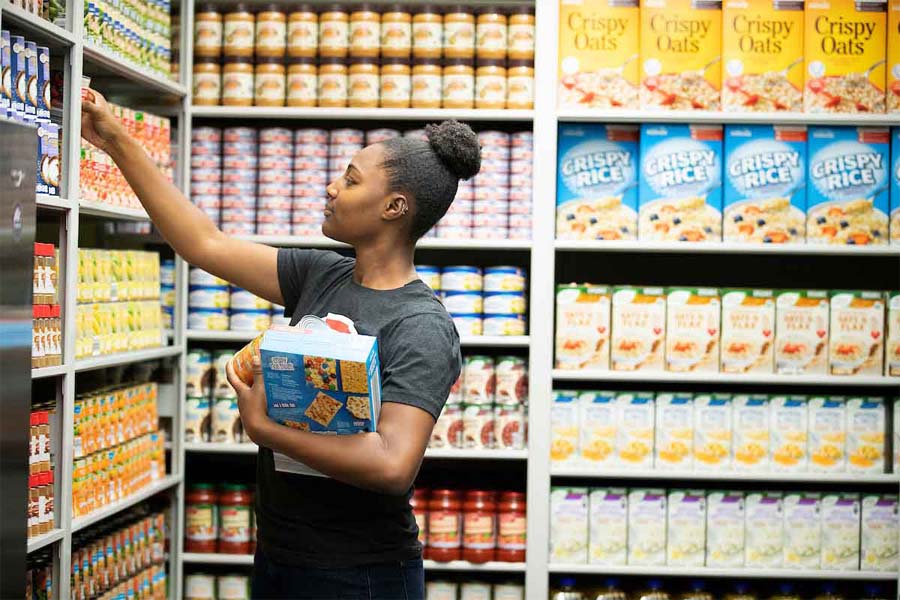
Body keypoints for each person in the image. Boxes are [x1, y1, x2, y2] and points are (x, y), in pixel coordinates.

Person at [81, 88, 481, 600]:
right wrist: (116, 139)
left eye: (351, 180)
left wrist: (264, 428)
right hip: (278, 557)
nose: (332, 187)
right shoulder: (321, 274)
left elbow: (391, 465)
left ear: (394, 207)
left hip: (361, 575)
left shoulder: (421, 324)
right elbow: (205, 244)